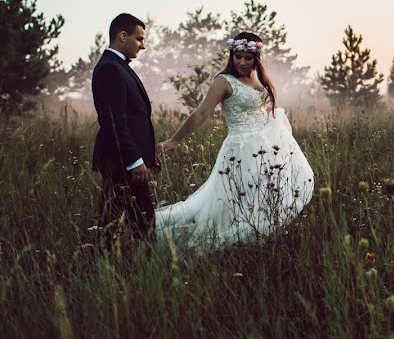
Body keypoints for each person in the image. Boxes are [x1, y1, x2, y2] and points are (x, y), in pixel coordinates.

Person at [155, 31, 313, 250]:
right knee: (230, 201)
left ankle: (256, 244)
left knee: (262, 198)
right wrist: (174, 140)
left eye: (247, 57)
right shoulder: (224, 81)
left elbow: (260, 109)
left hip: (264, 148)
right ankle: (207, 242)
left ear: (256, 58)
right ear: (232, 55)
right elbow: (201, 113)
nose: (241, 61)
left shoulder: (258, 80)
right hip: (240, 149)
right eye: (237, 56)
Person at [91, 13, 158, 250]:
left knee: (116, 219)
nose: (143, 45)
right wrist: (134, 160)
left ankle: (104, 262)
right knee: (142, 221)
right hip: (121, 162)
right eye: (139, 39)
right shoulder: (110, 69)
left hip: (125, 161)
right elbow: (114, 122)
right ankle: (144, 267)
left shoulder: (117, 66)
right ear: (122, 36)